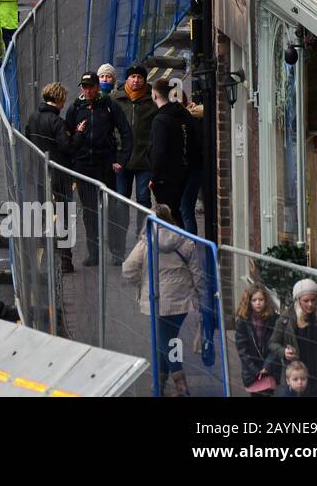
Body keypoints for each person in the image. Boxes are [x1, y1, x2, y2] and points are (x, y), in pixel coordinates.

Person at [122, 204, 207, 396]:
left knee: (165, 340)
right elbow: (197, 274)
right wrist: (201, 298)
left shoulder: (145, 243)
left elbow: (128, 269)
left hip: (156, 299)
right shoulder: (185, 241)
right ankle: (159, 384)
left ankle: (180, 385)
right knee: (168, 340)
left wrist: (141, 284)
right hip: (181, 300)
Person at [66, 72, 133, 265]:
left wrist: (121, 159)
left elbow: (126, 132)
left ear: (97, 87)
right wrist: (72, 162)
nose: (87, 90)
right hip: (83, 166)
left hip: (106, 165)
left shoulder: (110, 106)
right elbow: (68, 138)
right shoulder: (75, 108)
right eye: (84, 87)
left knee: (112, 210)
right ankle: (94, 254)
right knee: (89, 212)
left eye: (90, 87)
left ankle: (117, 252)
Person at [25, 82, 75, 272]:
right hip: (59, 172)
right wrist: (77, 135)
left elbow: (28, 139)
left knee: (42, 207)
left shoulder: (33, 117)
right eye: (63, 101)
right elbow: (66, 147)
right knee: (63, 213)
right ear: (59, 99)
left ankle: (41, 241)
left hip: (38, 170)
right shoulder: (57, 122)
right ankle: (65, 259)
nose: (63, 105)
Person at [268, 278, 317, 397]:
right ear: (298, 299)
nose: (310, 304)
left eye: (313, 300)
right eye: (306, 300)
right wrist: (284, 352)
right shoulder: (287, 318)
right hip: (297, 373)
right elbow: (272, 343)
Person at [149, 77, 195, 220]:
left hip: (165, 177)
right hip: (183, 171)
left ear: (154, 95)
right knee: (176, 212)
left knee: (168, 215)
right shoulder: (183, 114)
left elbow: (159, 151)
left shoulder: (160, 120)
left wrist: (155, 178)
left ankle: (176, 242)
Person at [117, 64, 155, 228]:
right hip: (121, 159)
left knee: (143, 199)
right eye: (133, 77)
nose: (136, 81)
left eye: (140, 77)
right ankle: (118, 244)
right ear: (127, 79)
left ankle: (142, 238)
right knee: (120, 201)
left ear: (145, 81)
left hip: (144, 159)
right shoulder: (115, 99)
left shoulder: (152, 100)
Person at [234, 284, 280, 396]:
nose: (258, 303)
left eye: (261, 299)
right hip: (251, 371)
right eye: (254, 300)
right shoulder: (243, 321)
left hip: (270, 368)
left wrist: (267, 366)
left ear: (266, 300)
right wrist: (255, 370)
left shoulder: (273, 319)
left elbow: (276, 343)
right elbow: (242, 349)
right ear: (249, 302)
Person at [179, 94, 206, 234]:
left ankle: (189, 246)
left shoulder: (192, 117)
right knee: (183, 209)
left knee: (185, 209)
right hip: (188, 169)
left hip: (191, 169)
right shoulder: (190, 116)